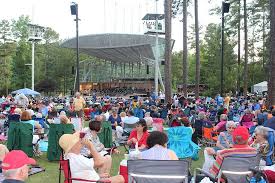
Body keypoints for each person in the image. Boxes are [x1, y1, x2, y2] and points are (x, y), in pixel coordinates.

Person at [59, 132, 124, 183]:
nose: (80, 142)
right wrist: (90, 146)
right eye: (78, 141)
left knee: (108, 174)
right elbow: (100, 162)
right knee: (120, 178)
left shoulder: (68, 157)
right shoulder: (77, 158)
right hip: (91, 182)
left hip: (85, 180)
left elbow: (79, 172)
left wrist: (98, 175)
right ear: (73, 146)